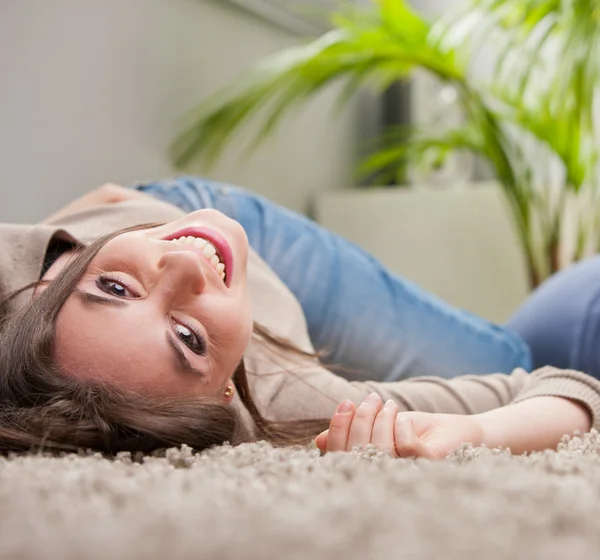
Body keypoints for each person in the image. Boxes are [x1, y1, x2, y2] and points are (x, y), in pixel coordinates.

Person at [0, 178, 597, 460]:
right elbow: (554, 388)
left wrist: (92, 216)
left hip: (195, 212)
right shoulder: (285, 398)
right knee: (507, 357)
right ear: (223, 398)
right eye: (187, 339)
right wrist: (477, 435)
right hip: (242, 286)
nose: (183, 265)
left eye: (112, 287)